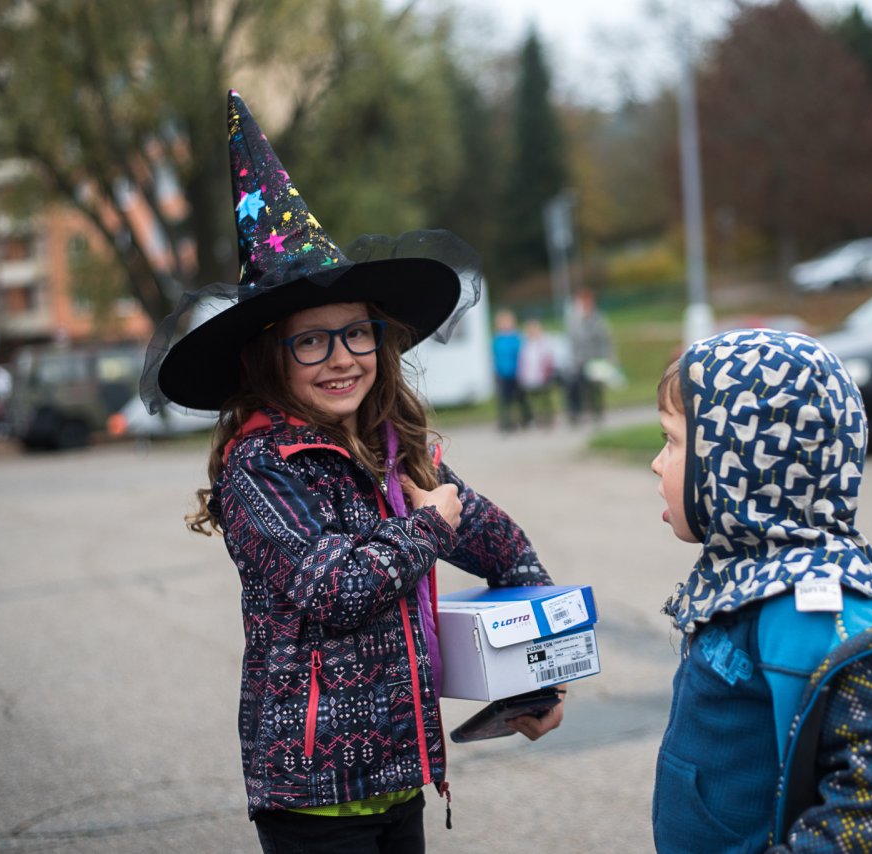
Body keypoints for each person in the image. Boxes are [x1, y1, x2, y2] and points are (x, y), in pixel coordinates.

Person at [141, 90, 566, 854]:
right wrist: (428, 525)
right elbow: (335, 589)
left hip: (403, 781)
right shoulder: (259, 469)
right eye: (311, 341)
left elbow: (501, 543)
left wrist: (539, 672)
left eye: (357, 334)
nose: (341, 358)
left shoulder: (392, 450)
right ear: (269, 358)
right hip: (311, 798)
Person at [648, 328, 872, 853]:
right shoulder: (744, 576)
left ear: (746, 462)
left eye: (673, 441)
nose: (657, 462)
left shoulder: (815, 610)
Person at [564, 288, 615, 425]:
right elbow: (572, 341)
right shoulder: (574, 320)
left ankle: (596, 411)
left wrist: (608, 359)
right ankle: (576, 411)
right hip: (579, 360)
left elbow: (605, 340)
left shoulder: (597, 318)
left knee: (594, 385)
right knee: (573, 382)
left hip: (595, 359)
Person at [491, 308, 531, 432]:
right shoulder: (497, 339)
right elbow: (495, 356)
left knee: (521, 398)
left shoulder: (517, 338)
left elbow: (523, 354)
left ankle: (526, 419)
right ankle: (506, 422)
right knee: (505, 400)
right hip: (503, 374)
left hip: (517, 373)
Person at [516, 316, 558, 428]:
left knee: (545, 398)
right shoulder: (525, 345)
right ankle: (529, 419)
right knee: (523, 396)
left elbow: (549, 361)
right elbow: (522, 362)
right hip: (528, 379)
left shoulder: (545, 343)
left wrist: (546, 374)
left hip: (543, 377)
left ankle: (548, 418)